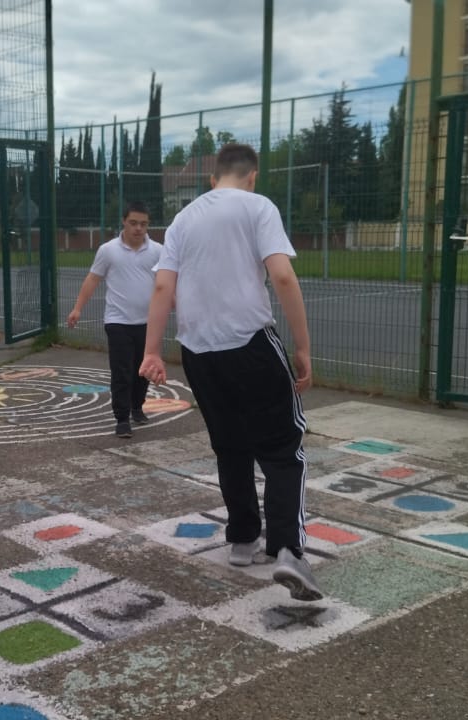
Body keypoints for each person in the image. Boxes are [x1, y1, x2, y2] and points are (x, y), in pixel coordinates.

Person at [138, 143, 321, 602]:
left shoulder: (182, 220)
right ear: (252, 176)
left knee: (230, 446)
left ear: (211, 178)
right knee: (284, 449)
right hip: (251, 344)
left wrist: (152, 351)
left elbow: (162, 286)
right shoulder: (258, 207)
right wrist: (302, 347)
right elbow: (282, 276)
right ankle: (289, 550)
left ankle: (242, 539)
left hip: (199, 353)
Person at [66, 201, 161, 438]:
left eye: (143, 224)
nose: (138, 229)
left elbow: (165, 282)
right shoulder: (108, 250)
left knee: (143, 370)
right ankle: (122, 418)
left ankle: (137, 406)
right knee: (121, 371)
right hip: (118, 321)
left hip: (147, 322)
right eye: (133, 223)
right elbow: (93, 279)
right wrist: (77, 309)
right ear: (124, 222)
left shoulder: (158, 251)